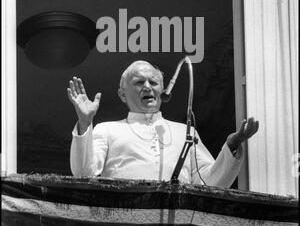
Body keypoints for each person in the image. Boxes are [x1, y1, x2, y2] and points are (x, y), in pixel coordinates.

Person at [68, 60, 259, 186]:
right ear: (122, 94)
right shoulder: (108, 129)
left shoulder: (185, 132)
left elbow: (210, 183)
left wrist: (232, 145)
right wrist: (84, 123)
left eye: (153, 82)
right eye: (138, 82)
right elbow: (84, 174)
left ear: (163, 90)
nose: (147, 87)